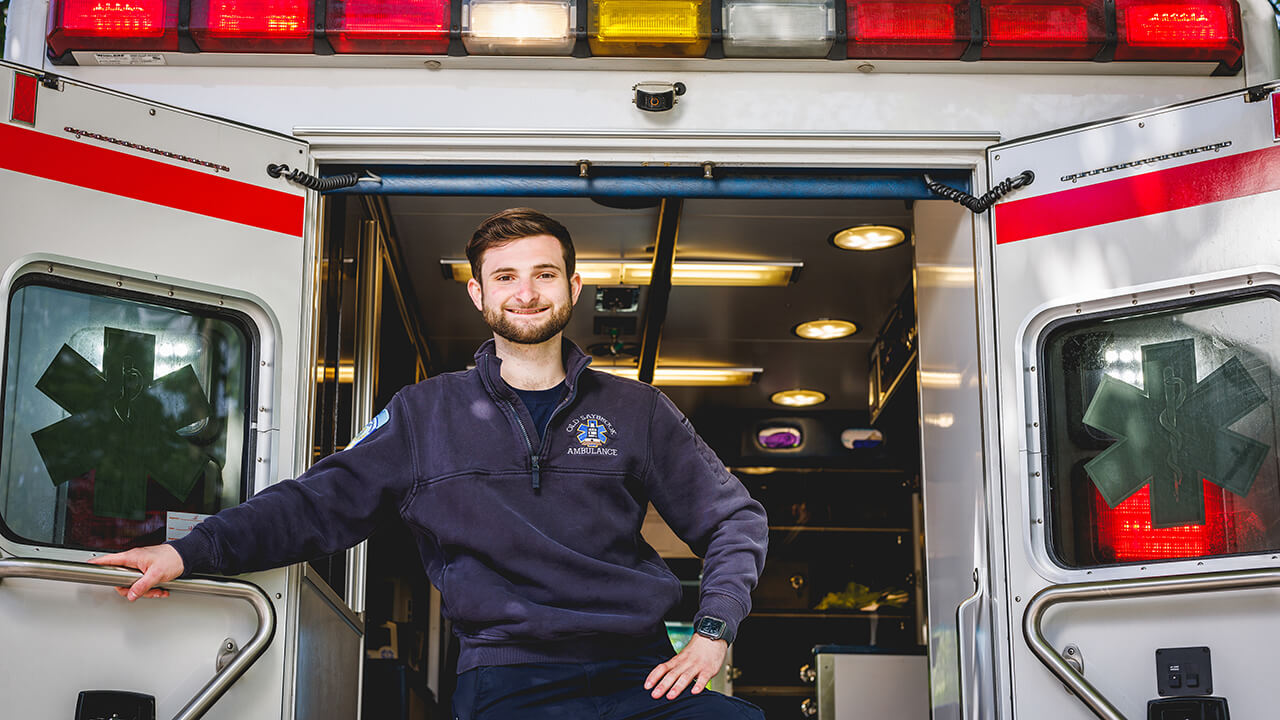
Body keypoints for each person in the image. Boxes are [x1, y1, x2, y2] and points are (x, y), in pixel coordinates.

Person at [91, 207, 769, 720]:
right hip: (510, 679)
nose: (526, 292)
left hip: (640, 673)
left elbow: (734, 519)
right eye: (505, 277)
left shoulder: (637, 410)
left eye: (543, 274)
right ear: (477, 294)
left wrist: (713, 632)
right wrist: (188, 553)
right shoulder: (424, 415)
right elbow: (316, 504)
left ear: (574, 286)